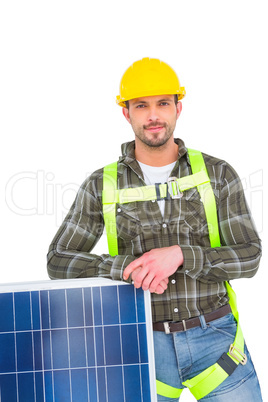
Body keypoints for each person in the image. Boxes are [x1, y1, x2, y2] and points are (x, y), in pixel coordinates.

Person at [47, 57, 262, 401]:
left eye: (162, 103)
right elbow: (58, 261)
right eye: (141, 105)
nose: (153, 115)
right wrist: (125, 268)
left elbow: (249, 257)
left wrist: (180, 255)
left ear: (178, 108)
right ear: (125, 113)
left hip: (217, 343)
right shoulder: (102, 185)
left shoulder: (217, 174)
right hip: (141, 344)